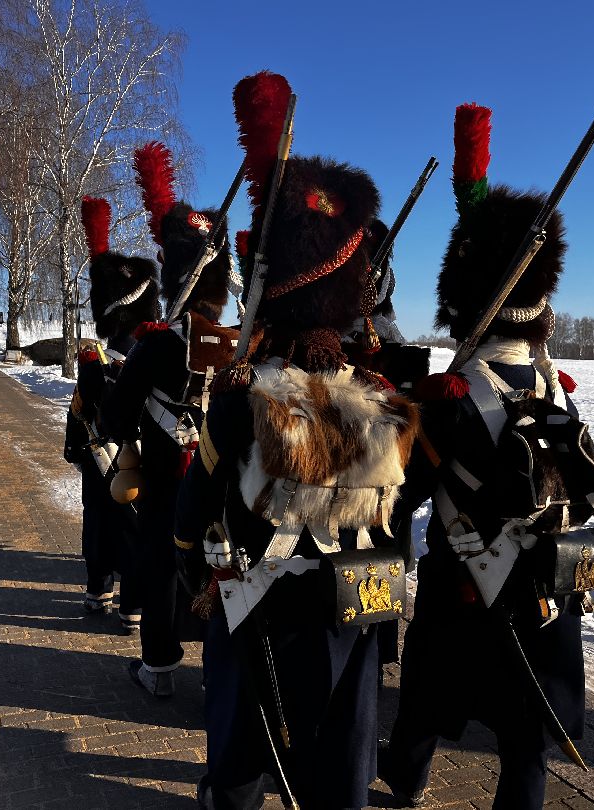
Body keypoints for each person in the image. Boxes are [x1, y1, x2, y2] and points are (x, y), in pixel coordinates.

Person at [173, 71, 421, 810]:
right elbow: (398, 519)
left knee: (242, 752)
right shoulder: (383, 402)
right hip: (356, 606)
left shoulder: (240, 402)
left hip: (263, 607)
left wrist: (194, 577)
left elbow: (192, 520)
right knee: (343, 757)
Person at [381, 103, 594, 809]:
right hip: (541, 586)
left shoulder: (449, 395)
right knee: (523, 732)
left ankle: (408, 780)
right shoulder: (553, 386)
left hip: (464, 582)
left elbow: (405, 491)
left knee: (425, 690)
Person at [102, 140, 237, 698]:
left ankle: (158, 667)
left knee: (161, 568)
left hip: (163, 481)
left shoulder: (157, 347)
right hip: (221, 479)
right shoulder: (234, 346)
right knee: (220, 565)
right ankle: (219, 668)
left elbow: (115, 416)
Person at [63, 195, 161, 634]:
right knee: (133, 529)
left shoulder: (94, 359)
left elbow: (80, 411)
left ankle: (98, 588)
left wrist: (77, 448)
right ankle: (131, 604)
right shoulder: (153, 356)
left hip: (102, 454)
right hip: (139, 454)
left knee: (100, 524)